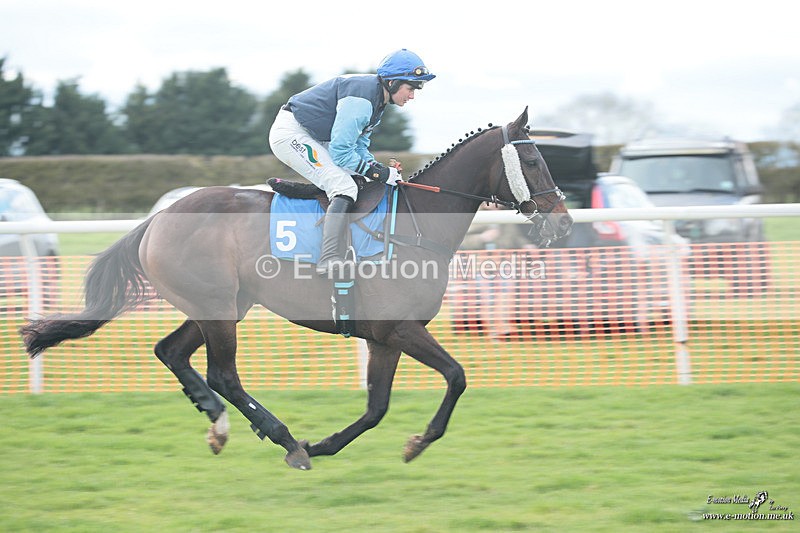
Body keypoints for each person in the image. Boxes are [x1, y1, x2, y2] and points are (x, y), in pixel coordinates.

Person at [268, 49, 435, 275]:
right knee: (343, 186)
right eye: (411, 88)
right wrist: (381, 174)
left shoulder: (377, 102)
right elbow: (341, 153)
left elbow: (358, 148)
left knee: (355, 179)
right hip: (291, 134)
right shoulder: (362, 100)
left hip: (316, 136)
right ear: (393, 82)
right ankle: (328, 258)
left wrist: (378, 169)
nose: (413, 95)